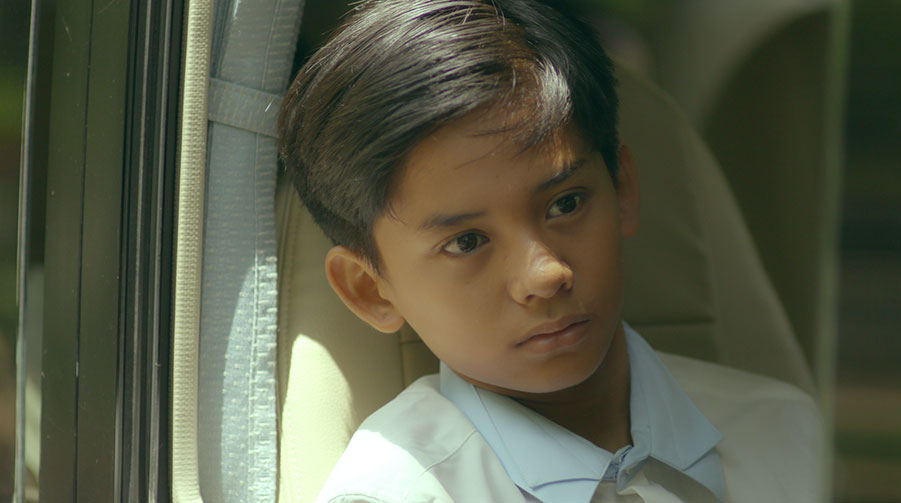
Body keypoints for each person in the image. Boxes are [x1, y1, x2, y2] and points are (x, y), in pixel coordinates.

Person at [277, 0, 821, 501]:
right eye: (466, 242)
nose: (545, 273)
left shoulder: (785, 432)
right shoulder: (397, 492)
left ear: (622, 190)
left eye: (566, 204)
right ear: (370, 290)